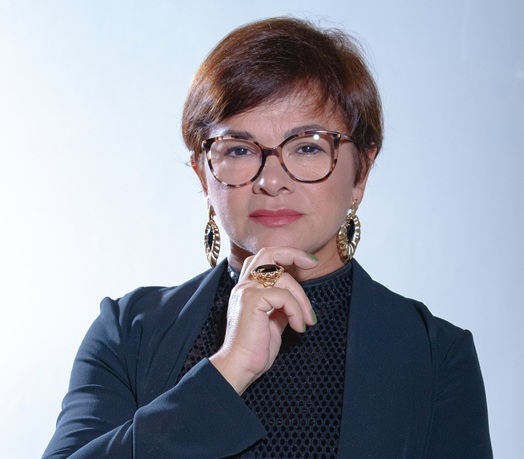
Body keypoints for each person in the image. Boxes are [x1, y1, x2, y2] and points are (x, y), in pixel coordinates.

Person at [43, 17, 492, 458]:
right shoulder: (129, 332)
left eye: (308, 146)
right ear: (202, 174)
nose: (272, 180)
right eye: (239, 149)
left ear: (362, 172)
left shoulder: (434, 355)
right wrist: (226, 372)